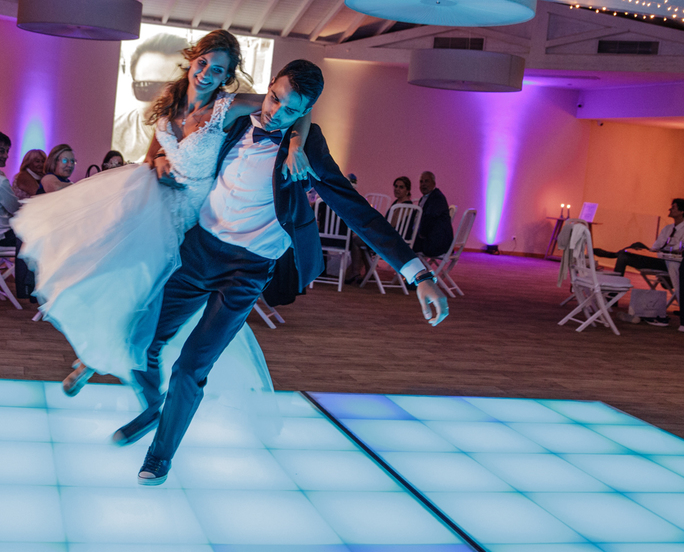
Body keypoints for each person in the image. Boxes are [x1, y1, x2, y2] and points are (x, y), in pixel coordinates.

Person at [113, 59, 449, 486]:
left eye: (291, 111)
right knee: (143, 338)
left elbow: (358, 212)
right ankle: (153, 405)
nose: (276, 113)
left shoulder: (307, 147)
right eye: (274, 100)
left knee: (192, 366)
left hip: (247, 271)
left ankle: (160, 455)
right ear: (268, 86)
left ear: (305, 113)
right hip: (198, 252)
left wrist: (418, 274)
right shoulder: (235, 120)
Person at [14, 29, 312, 398]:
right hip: (153, 205)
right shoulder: (169, 104)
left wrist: (296, 142)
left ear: (227, 76)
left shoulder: (228, 106)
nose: (206, 74)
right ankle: (93, 355)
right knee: (112, 272)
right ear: (192, 60)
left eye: (218, 71)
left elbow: (298, 107)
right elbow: (151, 154)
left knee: (152, 299)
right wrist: (157, 160)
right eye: (202, 64)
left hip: (191, 219)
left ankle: (103, 366)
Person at [111, 33, 189, 163]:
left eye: (176, 89)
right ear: (132, 89)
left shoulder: (203, 132)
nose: (163, 99)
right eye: (147, 88)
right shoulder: (112, 133)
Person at [596, 198, 684, 275]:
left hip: (667, 262)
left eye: (673, 207)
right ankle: (617, 255)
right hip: (657, 256)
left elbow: (680, 249)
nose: (670, 209)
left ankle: (614, 255)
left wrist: (659, 251)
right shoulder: (667, 228)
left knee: (623, 257)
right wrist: (646, 252)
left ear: (681, 212)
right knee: (637, 245)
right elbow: (656, 246)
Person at [413, 171, 453, 257]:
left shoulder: (437, 198)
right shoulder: (425, 198)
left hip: (436, 242)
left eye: (426, 181)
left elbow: (429, 219)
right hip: (430, 238)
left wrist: (417, 233)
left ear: (434, 183)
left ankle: (407, 269)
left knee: (404, 243)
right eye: (421, 182)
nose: (423, 184)